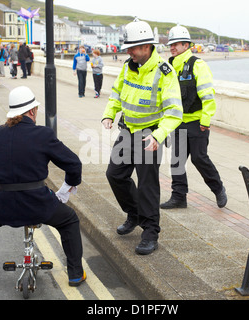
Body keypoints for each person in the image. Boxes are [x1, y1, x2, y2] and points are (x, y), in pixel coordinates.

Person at [0, 86, 86, 287]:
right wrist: (64, 192)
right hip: (39, 204)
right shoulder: (43, 135)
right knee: (69, 220)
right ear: (32, 111)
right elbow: (73, 164)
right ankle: (75, 274)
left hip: (2, 204)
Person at [101, 18, 183, 255]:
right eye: (128, 48)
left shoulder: (164, 73)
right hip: (127, 131)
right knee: (114, 175)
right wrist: (109, 114)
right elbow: (116, 93)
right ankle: (134, 214)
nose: (129, 52)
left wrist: (158, 136)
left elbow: (174, 113)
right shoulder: (128, 66)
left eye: (133, 48)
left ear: (147, 47)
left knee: (148, 185)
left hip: (150, 135)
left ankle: (150, 232)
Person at [160, 25, 227, 210]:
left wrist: (205, 120)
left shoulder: (198, 65)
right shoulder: (168, 68)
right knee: (177, 160)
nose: (172, 47)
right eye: (170, 44)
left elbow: (208, 95)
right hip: (177, 123)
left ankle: (218, 189)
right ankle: (178, 197)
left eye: (175, 44)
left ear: (185, 44)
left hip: (197, 123)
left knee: (199, 158)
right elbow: (163, 96)